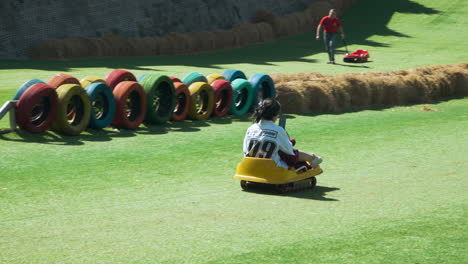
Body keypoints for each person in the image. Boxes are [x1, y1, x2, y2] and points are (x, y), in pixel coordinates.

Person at [243, 98, 322, 169]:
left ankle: (312, 158)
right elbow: (290, 151)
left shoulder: (251, 128)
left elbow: (245, 150)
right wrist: (286, 137)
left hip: (250, 166)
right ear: (275, 115)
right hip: (272, 168)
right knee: (291, 155)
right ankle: (312, 158)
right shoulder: (278, 130)